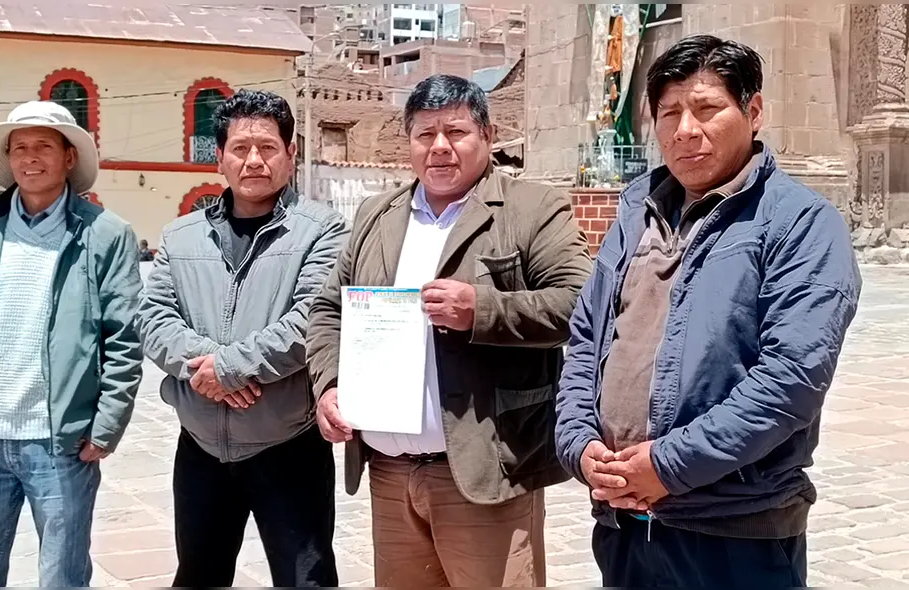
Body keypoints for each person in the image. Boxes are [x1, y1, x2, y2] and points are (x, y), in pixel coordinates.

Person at [555, 35, 862, 588]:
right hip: (623, 522)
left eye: (706, 108)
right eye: (668, 113)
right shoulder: (635, 213)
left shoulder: (800, 224)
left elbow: (791, 379)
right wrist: (580, 446)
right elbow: (587, 339)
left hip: (734, 532)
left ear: (754, 110)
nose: (684, 131)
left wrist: (668, 465)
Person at [306, 74, 593, 587]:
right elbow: (329, 310)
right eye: (424, 134)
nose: (439, 147)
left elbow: (578, 304)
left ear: (488, 135)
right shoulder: (377, 214)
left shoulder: (533, 208)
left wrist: (480, 309)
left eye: (456, 132)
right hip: (390, 475)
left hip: (486, 470)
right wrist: (328, 385)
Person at [0, 100, 144, 587]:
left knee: (62, 577)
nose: (30, 157)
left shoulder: (105, 235)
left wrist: (105, 427)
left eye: (43, 145)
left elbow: (124, 341)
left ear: (69, 157)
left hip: (59, 442)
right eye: (19, 147)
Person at [136, 89, 348, 587]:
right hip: (201, 447)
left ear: (291, 154)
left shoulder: (322, 230)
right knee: (198, 576)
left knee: (306, 579)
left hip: (288, 444)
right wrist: (208, 367)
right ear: (220, 158)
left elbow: (311, 320)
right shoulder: (181, 235)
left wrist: (228, 369)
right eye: (240, 148)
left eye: (268, 147)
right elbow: (153, 318)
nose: (254, 160)